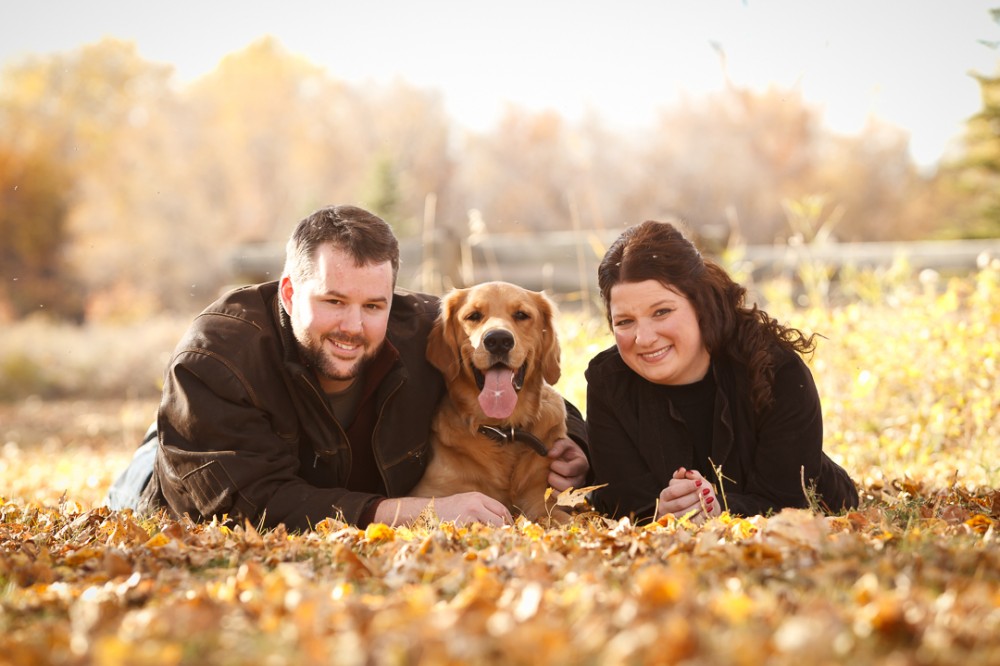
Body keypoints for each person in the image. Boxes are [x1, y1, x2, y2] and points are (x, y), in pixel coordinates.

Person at [106, 205, 590, 530]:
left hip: (315, 482)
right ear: (290, 293)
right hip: (179, 470)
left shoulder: (428, 327)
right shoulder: (216, 358)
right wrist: (409, 512)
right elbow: (243, 502)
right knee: (160, 470)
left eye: (373, 305)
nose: (353, 326)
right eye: (333, 301)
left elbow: (521, 389)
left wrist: (577, 446)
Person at [585, 219, 858, 524]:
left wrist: (719, 510)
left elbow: (788, 499)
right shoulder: (607, 381)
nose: (644, 338)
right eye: (624, 322)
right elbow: (617, 494)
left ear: (699, 303)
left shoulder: (776, 369)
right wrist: (660, 511)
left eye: (661, 312)